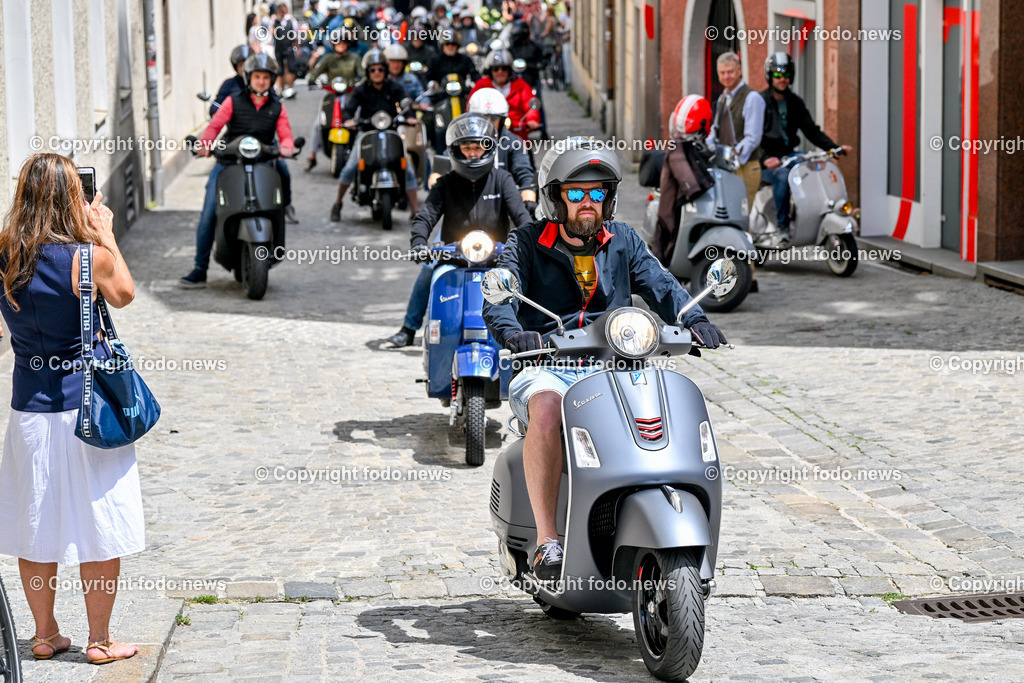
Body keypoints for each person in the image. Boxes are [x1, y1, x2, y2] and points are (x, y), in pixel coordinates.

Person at [481, 138, 727, 580]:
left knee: (665, 404)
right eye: (576, 194)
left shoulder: (624, 240)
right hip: (547, 365)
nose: (588, 203)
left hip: (615, 365)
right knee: (548, 407)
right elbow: (501, 292)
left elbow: (662, 284)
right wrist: (513, 332)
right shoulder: (526, 242)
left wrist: (695, 319)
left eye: (598, 193)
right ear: (556, 196)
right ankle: (547, 542)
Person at [0, 154, 143, 665]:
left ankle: (44, 635)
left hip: (31, 412)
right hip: (89, 411)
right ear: (71, 198)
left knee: (36, 525)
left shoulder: (5, 255)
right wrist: (104, 233)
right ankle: (100, 642)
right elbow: (123, 295)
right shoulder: (88, 258)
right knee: (100, 525)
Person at [386, 114, 530, 347]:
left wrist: (529, 241)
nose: (473, 153)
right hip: (453, 256)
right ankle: (409, 327)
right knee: (429, 272)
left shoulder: (502, 179)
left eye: (478, 147)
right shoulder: (445, 183)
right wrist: (419, 243)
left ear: (489, 148)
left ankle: (528, 330)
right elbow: (426, 216)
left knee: (522, 279)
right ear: (455, 149)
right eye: (466, 147)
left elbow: (521, 215)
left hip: (498, 257)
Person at [180, 54, 296, 288]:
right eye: (257, 77)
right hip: (229, 162)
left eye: (265, 77)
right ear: (248, 78)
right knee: (208, 213)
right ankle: (200, 269)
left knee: (284, 174)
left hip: (263, 161)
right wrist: (204, 146)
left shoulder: (277, 107)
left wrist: (287, 147)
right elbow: (214, 127)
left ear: (272, 80)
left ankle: (285, 208)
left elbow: (285, 134)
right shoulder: (233, 101)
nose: (261, 81)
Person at [759, 52, 852, 244]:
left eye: (786, 75)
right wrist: (764, 158)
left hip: (790, 155)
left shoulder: (795, 102)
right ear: (769, 77)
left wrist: (834, 149)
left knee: (813, 168)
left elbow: (811, 131)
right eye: (777, 75)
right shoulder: (759, 102)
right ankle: (782, 226)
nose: (782, 79)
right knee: (783, 176)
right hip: (767, 161)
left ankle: (815, 218)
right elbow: (751, 137)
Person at [329, 49, 420, 221]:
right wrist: (348, 120)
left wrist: (409, 118)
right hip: (366, 132)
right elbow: (349, 109)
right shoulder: (360, 90)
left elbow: (404, 101)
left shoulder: (395, 87)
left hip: (391, 132)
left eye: (380, 69)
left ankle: (415, 211)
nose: (377, 73)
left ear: (385, 71)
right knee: (350, 166)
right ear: (367, 72)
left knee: (407, 167)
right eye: (373, 70)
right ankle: (338, 203)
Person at [704, 51, 764, 205]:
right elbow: (715, 130)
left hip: (747, 167)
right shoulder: (723, 98)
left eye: (730, 72)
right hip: (727, 168)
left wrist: (732, 156)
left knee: (742, 217)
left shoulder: (752, 98)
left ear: (739, 71)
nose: (726, 76)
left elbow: (752, 138)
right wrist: (708, 146)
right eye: (722, 73)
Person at [466, 88, 536, 210]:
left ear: (502, 120)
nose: (488, 123)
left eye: (494, 118)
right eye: (482, 118)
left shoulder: (512, 142)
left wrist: (528, 194)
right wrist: (436, 176)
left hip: (503, 207)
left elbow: (523, 170)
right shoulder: (462, 141)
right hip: (466, 204)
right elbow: (447, 161)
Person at [304, 30, 363, 172]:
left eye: (343, 42)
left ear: (348, 44)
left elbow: (362, 74)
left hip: (351, 96)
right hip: (332, 95)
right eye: (337, 42)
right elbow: (315, 72)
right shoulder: (328, 59)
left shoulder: (355, 58)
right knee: (318, 123)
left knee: (360, 121)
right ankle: (312, 156)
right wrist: (312, 80)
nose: (340, 45)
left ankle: (362, 153)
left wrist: (359, 82)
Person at [468, 49, 540, 141]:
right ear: (490, 71)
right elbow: (472, 105)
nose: (500, 72)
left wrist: (532, 120)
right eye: (496, 69)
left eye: (504, 68)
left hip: (517, 132)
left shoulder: (521, 85)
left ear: (509, 70)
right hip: (487, 131)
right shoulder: (481, 85)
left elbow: (529, 104)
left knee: (525, 152)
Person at [210, 46, 252, 118]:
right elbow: (215, 108)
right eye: (241, 65)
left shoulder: (262, 83)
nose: (244, 68)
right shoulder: (229, 84)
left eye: (247, 64)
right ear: (236, 66)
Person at [272, 2, 300, 97]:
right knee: (280, 70)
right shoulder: (275, 22)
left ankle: (290, 88)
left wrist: (297, 48)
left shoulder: (292, 21)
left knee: (291, 68)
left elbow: (296, 36)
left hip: (289, 47)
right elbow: (272, 34)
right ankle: (283, 89)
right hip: (279, 48)